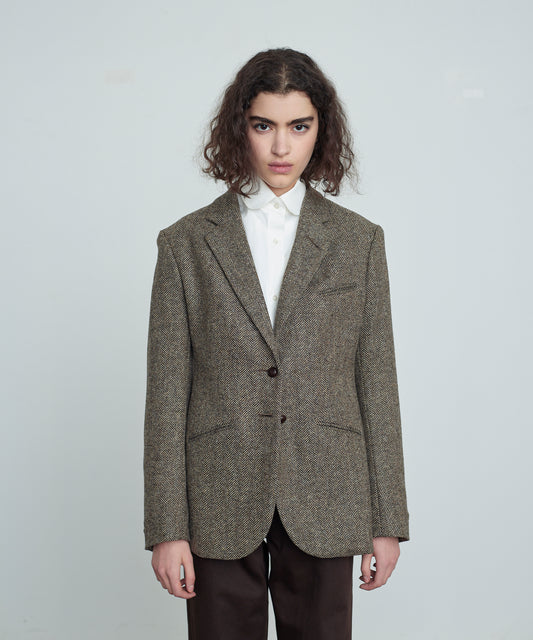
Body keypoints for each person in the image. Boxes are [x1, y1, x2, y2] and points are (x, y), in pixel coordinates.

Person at [144, 47, 410, 639]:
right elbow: (166, 395)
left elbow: (376, 380)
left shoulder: (359, 242)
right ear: (239, 128)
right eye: (264, 126)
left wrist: (387, 517)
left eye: (299, 126)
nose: (281, 147)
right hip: (217, 491)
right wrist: (166, 527)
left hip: (327, 488)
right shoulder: (185, 244)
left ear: (322, 130)